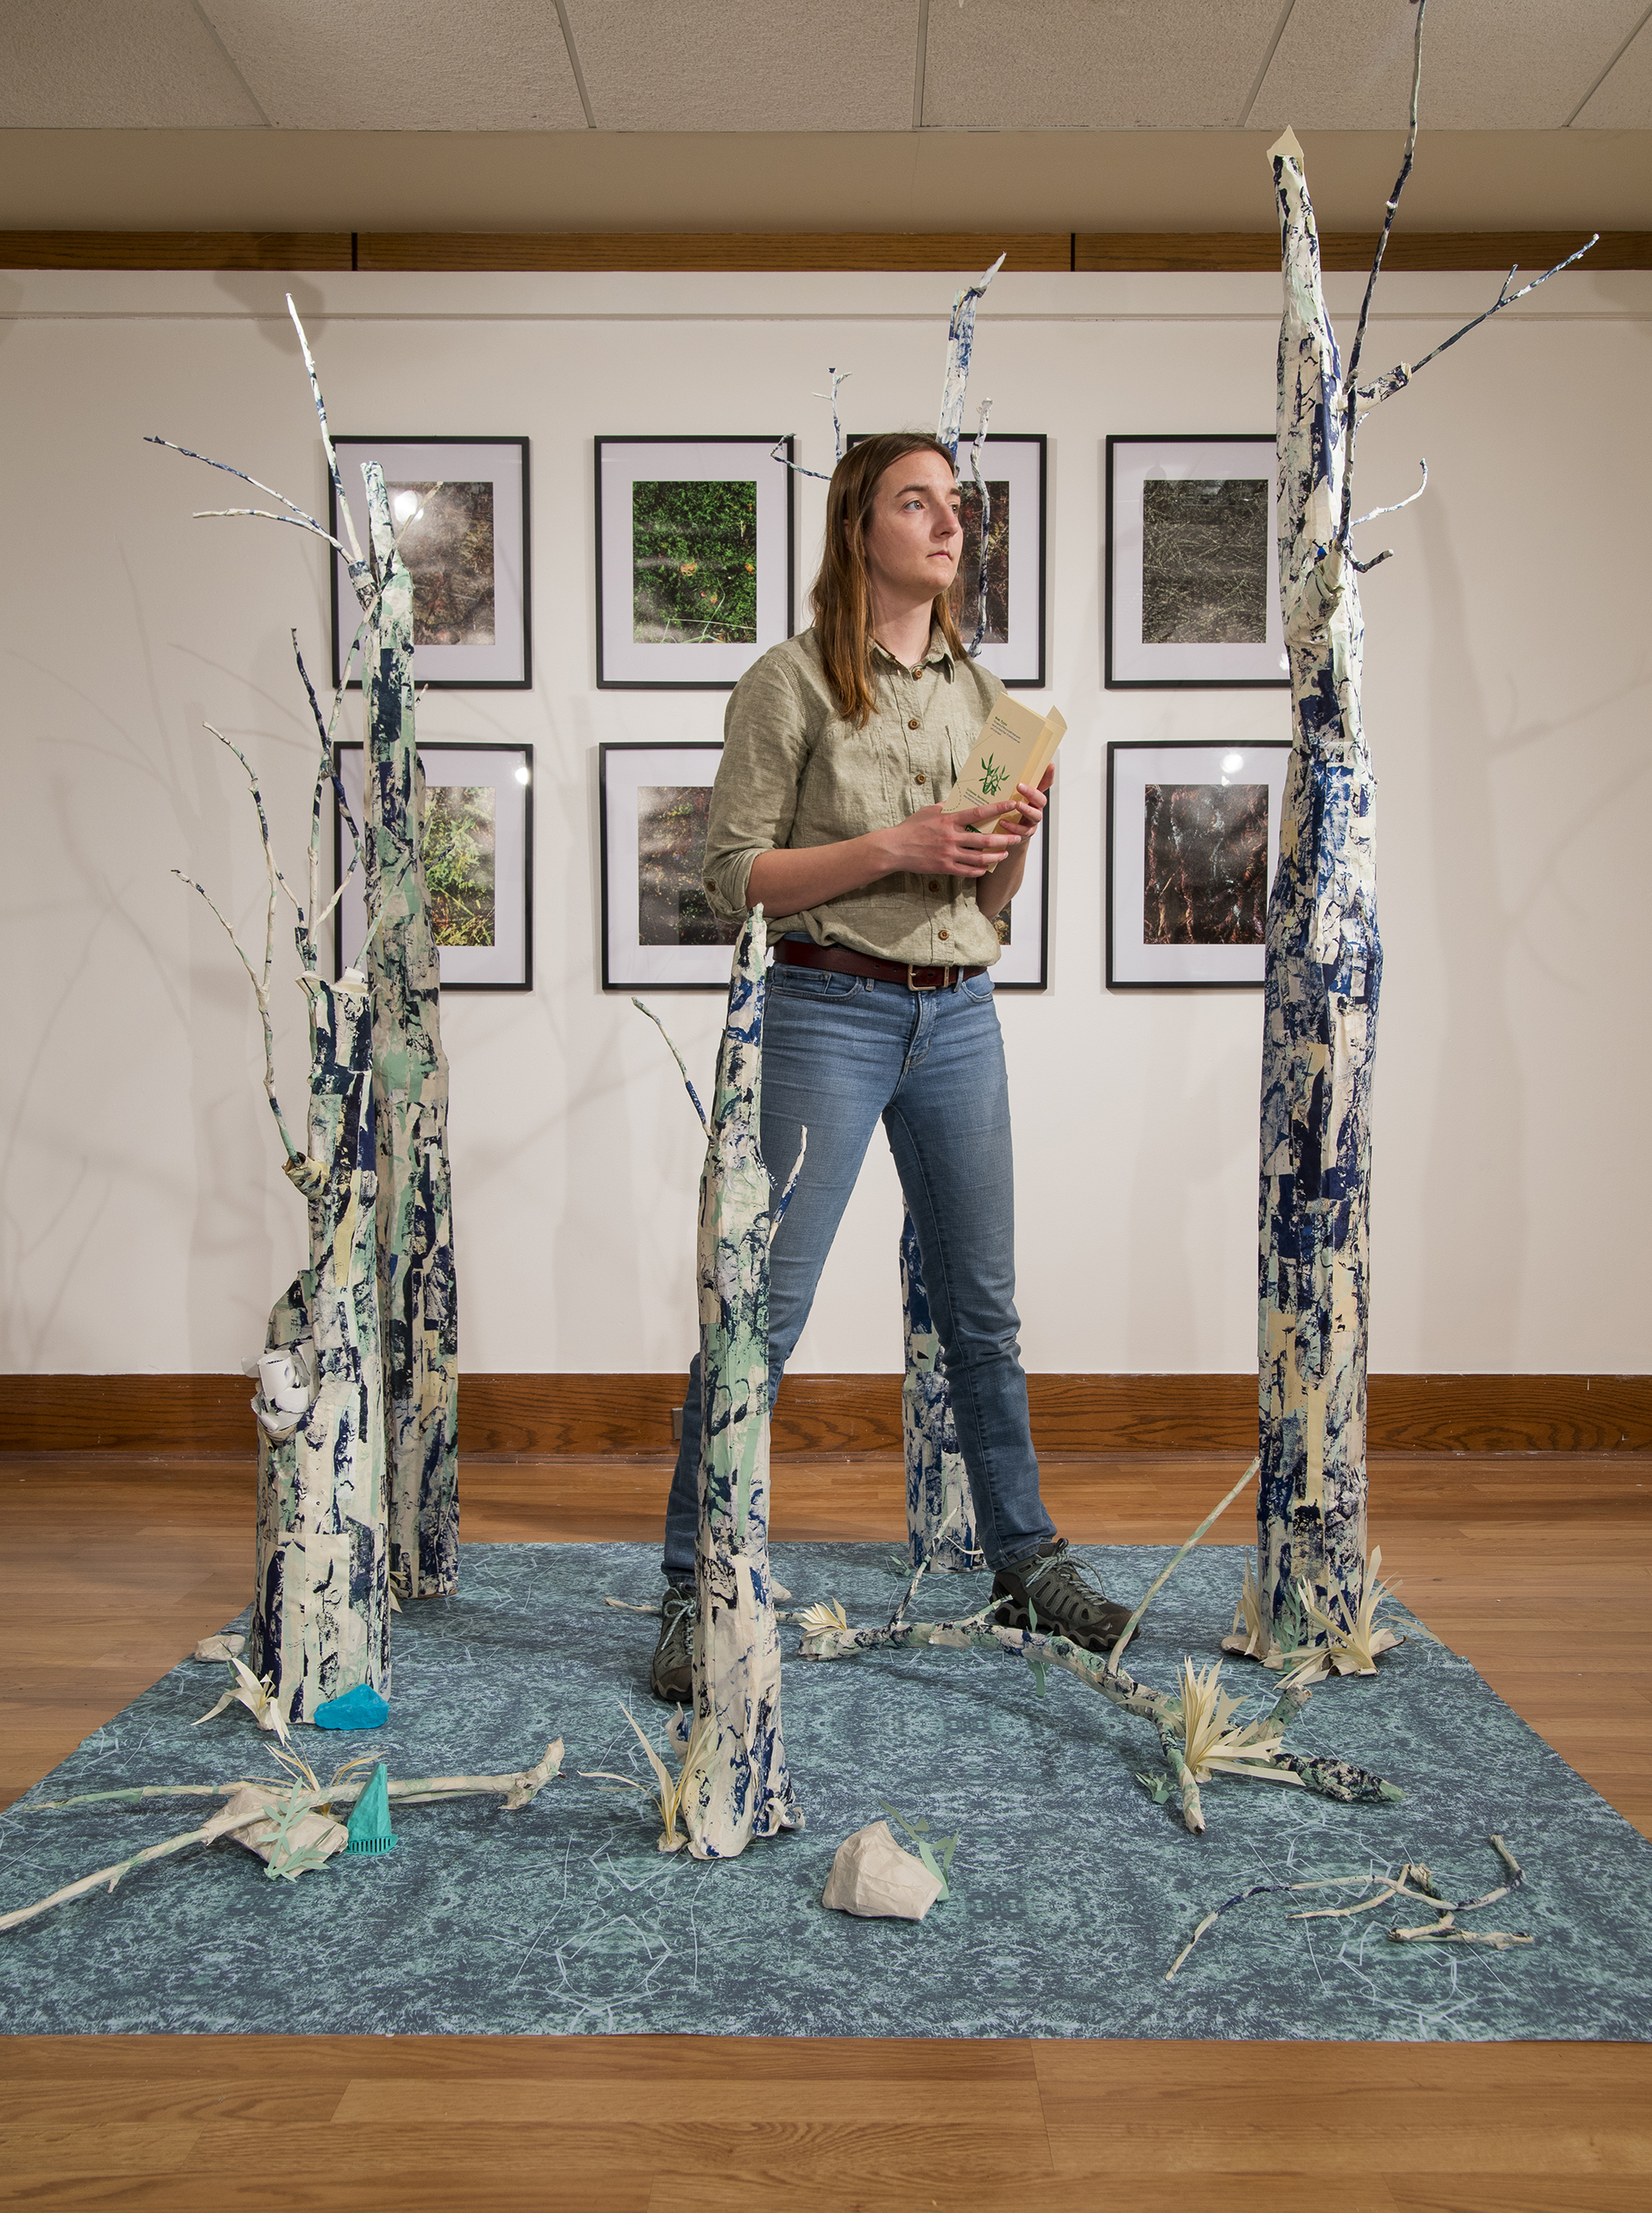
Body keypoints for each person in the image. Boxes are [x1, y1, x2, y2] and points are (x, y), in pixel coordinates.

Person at [650, 429, 1131, 1702]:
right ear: (859, 526)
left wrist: (1008, 842)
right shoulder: (789, 680)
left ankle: (1023, 1559)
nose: (948, 522)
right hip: (827, 1006)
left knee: (983, 1311)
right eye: (917, 502)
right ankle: (694, 1587)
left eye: (955, 504)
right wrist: (893, 844)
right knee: (758, 1312)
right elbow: (731, 877)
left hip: (959, 1012)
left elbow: (987, 899)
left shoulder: (989, 701)